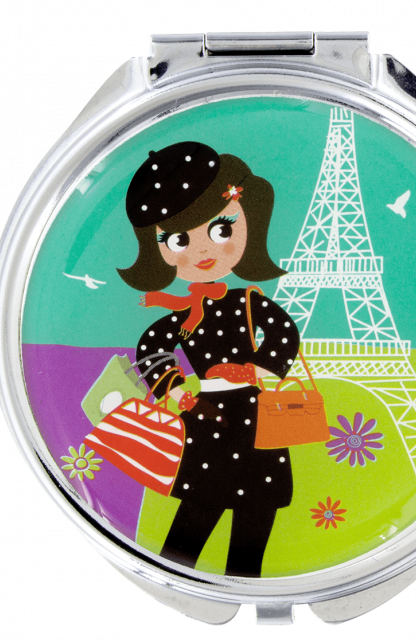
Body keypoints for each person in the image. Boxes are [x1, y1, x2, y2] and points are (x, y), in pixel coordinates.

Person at [118, 141, 300, 577]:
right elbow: (152, 348)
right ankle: (174, 582)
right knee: (196, 513)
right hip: (207, 417)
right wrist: (177, 391)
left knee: (255, 517)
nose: (201, 251)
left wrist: (256, 369)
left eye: (221, 230)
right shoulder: (183, 313)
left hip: (257, 416)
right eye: (178, 239)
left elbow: (283, 333)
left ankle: (244, 584)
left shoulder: (248, 301)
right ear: (157, 250)